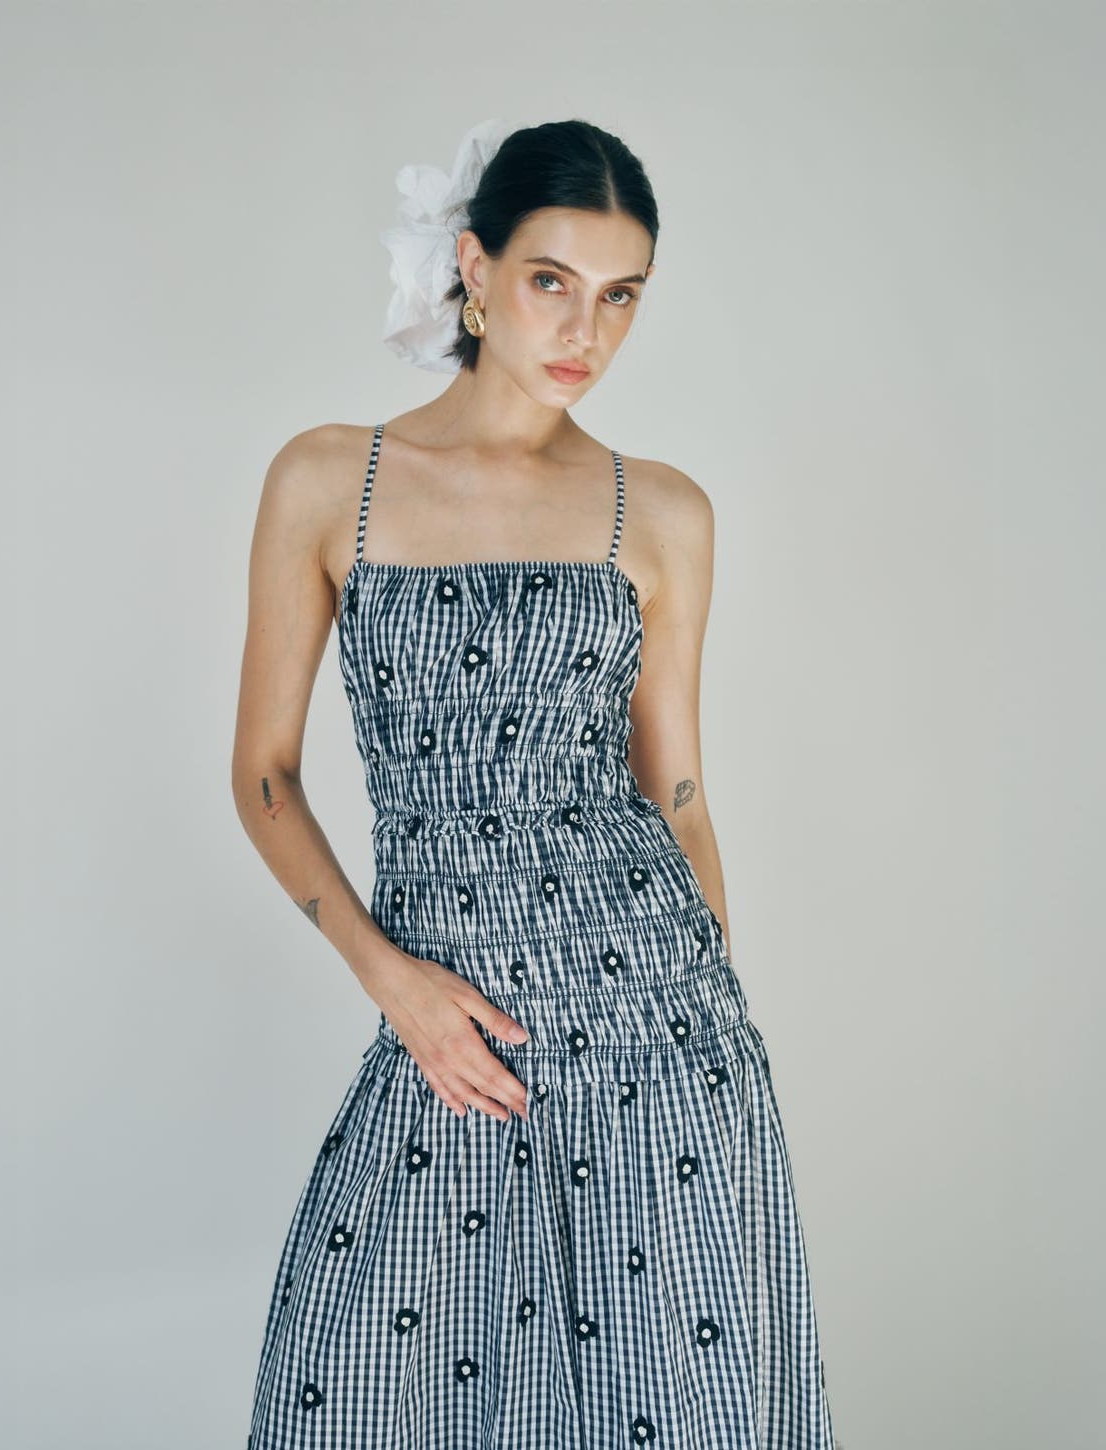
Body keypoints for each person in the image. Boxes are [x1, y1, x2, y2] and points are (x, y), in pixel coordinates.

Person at [233, 117, 838, 1449]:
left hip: (661, 1032)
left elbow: (677, 791)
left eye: (622, 295)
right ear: (474, 267)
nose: (589, 330)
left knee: (671, 1413)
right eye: (554, 280)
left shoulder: (661, 510)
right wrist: (393, 981)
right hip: (457, 1033)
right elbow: (265, 776)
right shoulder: (333, 476)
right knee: (358, 1396)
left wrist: (714, 1028)